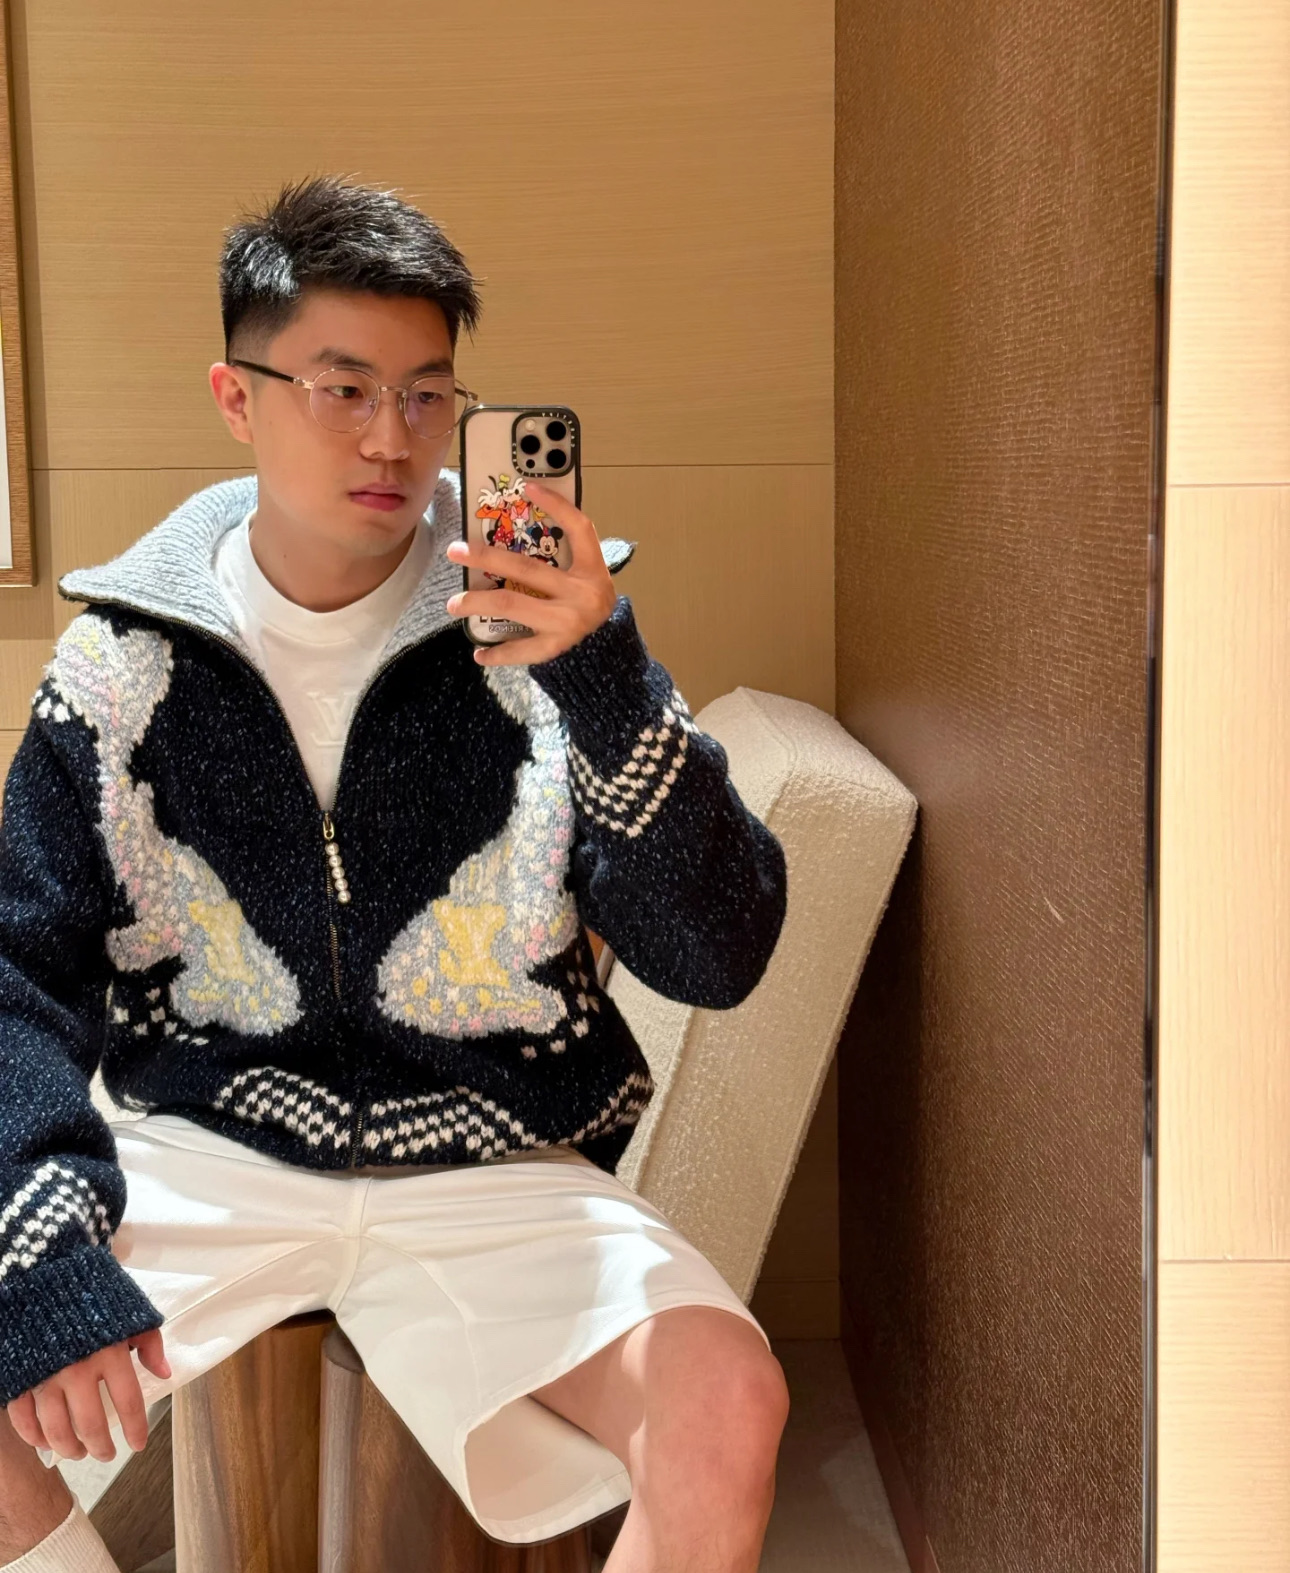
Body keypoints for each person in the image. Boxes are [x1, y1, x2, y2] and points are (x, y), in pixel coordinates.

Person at [0, 174, 790, 1572]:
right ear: (237, 398)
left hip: (498, 1164)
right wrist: (41, 1237)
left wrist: (605, 680)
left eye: (428, 395)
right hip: (209, 1149)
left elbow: (718, 953)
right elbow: (17, 971)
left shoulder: (552, 638)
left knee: (727, 1400)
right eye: (343, 389)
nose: (392, 437)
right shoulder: (121, 665)